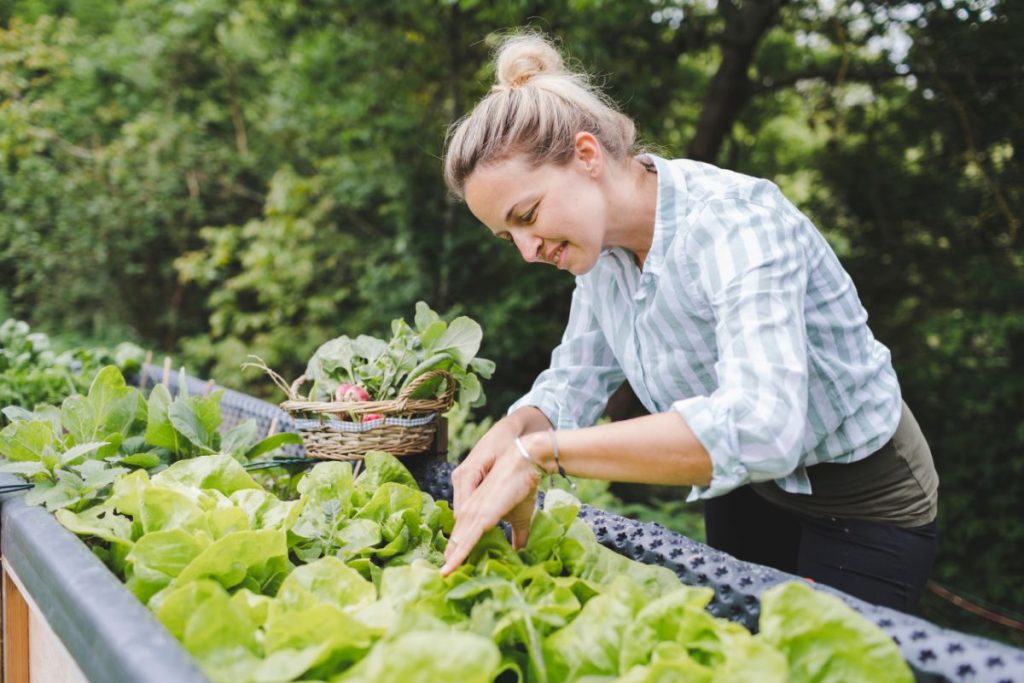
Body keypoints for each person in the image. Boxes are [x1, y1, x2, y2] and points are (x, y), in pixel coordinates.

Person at [438, 32, 939, 614]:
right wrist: (515, 430)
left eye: (528, 216)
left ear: (587, 156)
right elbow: (572, 380)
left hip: (863, 499)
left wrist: (542, 455)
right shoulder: (597, 253)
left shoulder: (735, 225)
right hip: (745, 485)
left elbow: (762, 428)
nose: (526, 250)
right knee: (736, 651)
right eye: (509, 236)